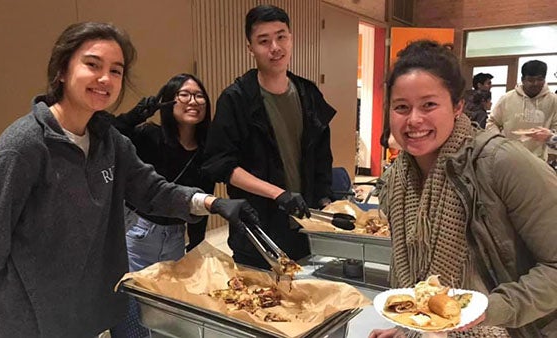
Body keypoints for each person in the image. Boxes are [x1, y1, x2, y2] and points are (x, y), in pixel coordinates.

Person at [0, 22, 260, 338]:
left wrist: (212, 202)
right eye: (92, 64)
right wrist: (28, 275)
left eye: (116, 70)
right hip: (24, 322)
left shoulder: (109, 142)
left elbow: (152, 190)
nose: (106, 78)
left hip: (82, 315)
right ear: (61, 70)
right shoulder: (26, 143)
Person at [370, 40, 557, 338]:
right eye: (401, 107)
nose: (414, 119)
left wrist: (487, 310)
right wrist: (411, 328)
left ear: (457, 106)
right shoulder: (397, 181)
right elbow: (418, 280)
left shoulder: (501, 162)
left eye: (429, 104)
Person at [202, 4, 336, 269]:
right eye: (264, 40)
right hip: (257, 227)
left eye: (281, 36)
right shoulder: (236, 99)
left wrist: (326, 201)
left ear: (291, 38)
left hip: (304, 226)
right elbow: (221, 165)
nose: (275, 47)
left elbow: (321, 158)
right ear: (250, 47)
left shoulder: (308, 93)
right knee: (260, 303)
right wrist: (278, 194)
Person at [109, 74, 214, 338]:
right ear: (168, 101)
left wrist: (197, 243)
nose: (194, 101)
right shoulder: (149, 135)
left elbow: (203, 199)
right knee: (132, 305)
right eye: (184, 94)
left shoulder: (206, 149)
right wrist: (136, 115)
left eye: (199, 95)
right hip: (139, 230)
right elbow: (108, 133)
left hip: (176, 234)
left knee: (165, 308)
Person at [486, 60, 557, 160]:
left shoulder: (553, 100)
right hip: (508, 155)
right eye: (531, 80)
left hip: (539, 159)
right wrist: (498, 142)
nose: (535, 83)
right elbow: (492, 122)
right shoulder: (507, 98)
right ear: (523, 79)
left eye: (540, 79)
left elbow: (555, 127)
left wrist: (552, 153)